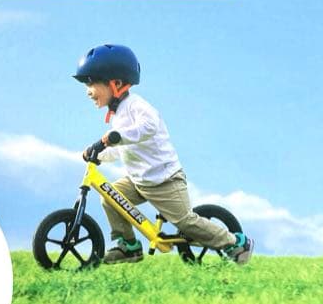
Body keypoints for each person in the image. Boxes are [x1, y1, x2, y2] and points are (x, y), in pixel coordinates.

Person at [73, 43, 253, 265]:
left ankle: (236, 243)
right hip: (139, 181)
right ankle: (128, 246)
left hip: (164, 180)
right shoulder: (118, 114)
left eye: (92, 83)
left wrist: (116, 136)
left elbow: (148, 128)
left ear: (116, 83)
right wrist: (99, 154)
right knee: (110, 197)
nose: (88, 91)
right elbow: (123, 149)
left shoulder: (137, 106)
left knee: (185, 222)